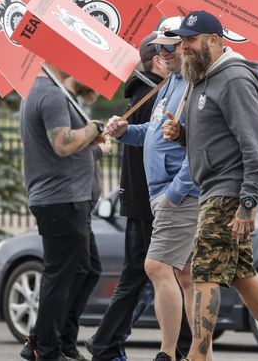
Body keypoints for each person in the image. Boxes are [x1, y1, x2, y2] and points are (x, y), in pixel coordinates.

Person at [161, 10, 258, 361]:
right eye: (181, 41)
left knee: (203, 274)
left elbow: (254, 144)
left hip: (228, 192)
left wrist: (248, 200)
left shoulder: (234, 80)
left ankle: (198, 357)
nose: (183, 47)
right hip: (215, 187)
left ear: (213, 40)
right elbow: (217, 139)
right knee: (242, 272)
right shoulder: (204, 79)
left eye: (190, 41)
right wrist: (182, 134)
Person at [105, 17, 203, 361]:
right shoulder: (173, 83)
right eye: (158, 47)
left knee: (157, 267)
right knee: (186, 275)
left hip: (176, 194)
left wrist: (175, 193)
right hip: (166, 193)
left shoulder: (193, 84)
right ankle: (195, 353)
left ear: (186, 47)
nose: (161, 53)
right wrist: (125, 131)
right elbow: (154, 131)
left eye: (168, 47)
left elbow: (201, 146)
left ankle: (168, 353)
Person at [87, 33, 169, 361]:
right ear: (157, 60)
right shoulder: (149, 92)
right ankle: (106, 343)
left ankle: (108, 341)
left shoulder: (151, 89)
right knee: (140, 275)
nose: (174, 57)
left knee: (146, 275)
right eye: (168, 52)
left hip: (142, 195)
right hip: (145, 196)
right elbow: (155, 142)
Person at [19, 63, 106, 361]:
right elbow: (62, 144)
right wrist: (94, 127)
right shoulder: (51, 94)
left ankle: (61, 341)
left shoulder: (49, 92)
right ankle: (46, 349)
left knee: (87, 269)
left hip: (70, 199)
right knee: (60, 276)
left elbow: (62, 150)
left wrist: (94, 146)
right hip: (60, 201)